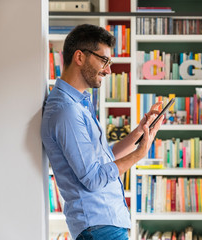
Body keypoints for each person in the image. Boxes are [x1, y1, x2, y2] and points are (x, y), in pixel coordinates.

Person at [41, 24, 164, 240]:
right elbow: (93, 179)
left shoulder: (78, 104)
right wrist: (139, 154)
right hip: (98, 228)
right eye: (104, 60)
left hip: (103, 226)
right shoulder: (66, 111)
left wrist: (139, 132)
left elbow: (104, 158)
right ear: (80, 57)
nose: (108, 70)